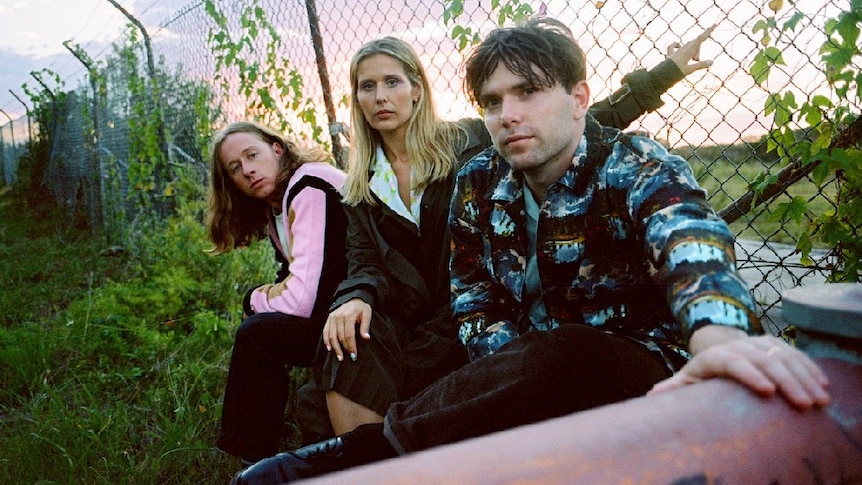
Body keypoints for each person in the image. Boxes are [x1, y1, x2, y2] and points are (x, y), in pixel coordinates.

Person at [231, 17, 831, 484]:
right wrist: (505, 366)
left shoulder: (633, 166)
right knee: (483, 362)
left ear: (578, 97)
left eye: (527, 92)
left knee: (566, 355)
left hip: (641, 370)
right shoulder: (480, 179)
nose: (507, 115)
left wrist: (717, 338)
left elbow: (689, 237)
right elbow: (472, 292)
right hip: (515, 359)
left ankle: (358, 461)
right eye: (492, 101)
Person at [295, 28, 717, 446]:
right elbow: (371, 262)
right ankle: (361, 461)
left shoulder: (468, 144)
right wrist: (354, 297)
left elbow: (582, 131)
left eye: (391, 82)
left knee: (550, 357)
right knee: (346, 345)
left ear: (417, 88)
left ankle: (364, 457)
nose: (380, 96)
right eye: (367, 86)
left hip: (473, 325)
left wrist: (662, 75)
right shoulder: (365, 185)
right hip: (452, 319)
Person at [206, 121, 348, 464]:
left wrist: (253, 299)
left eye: (252, 155)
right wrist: (273, 295)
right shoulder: (278, 205)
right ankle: (255, 454)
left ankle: (251, 457)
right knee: (263, 333)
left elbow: (300, 300)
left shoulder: (309, 185)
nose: (248, 171)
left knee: (258, 334)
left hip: (375, 309)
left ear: (277, 148)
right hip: (338, 309)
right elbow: (292, 276)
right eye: (235, 169)